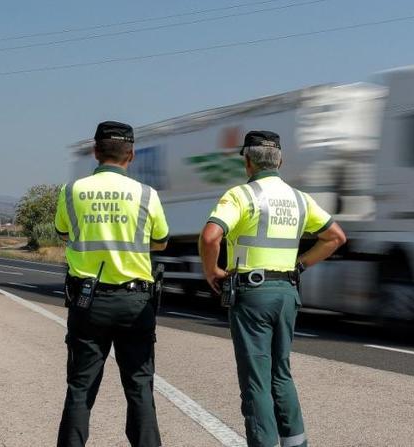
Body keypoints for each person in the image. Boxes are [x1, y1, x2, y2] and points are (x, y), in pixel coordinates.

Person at [199, 130, 346, 447]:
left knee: (256, 379)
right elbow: (335, 236)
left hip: (252, 295)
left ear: (247, 162)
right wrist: (301, 265)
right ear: (280, 160)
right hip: (286, 293)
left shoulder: (241, 196)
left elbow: (211, 236)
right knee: (281, 373)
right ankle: (296, 443)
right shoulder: (299, 199)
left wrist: (212, 270)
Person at [55, 121, 170, 447]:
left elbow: (64, 233)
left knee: (80, 387)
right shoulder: (147, 195)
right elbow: (161, 241)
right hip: (136, 303)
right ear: (131, 155)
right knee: (139, 386)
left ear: (95, 152)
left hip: (87, 302)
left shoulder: (71, 191)